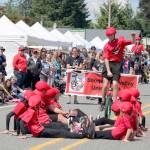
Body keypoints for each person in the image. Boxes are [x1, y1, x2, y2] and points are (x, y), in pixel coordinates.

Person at [102, 27, 135, 105]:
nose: (109, 37)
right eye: (108, 35)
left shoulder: (121, 41)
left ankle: (114, 101)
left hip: (117, 64)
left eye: (111, 35)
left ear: (114, 34)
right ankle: (102, 101)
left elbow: (132, 42)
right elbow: (106, 59)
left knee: (115, 84)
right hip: (108, 64)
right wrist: (109, 71)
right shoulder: (106, 46)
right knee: (105, 85)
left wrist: (133, 37)